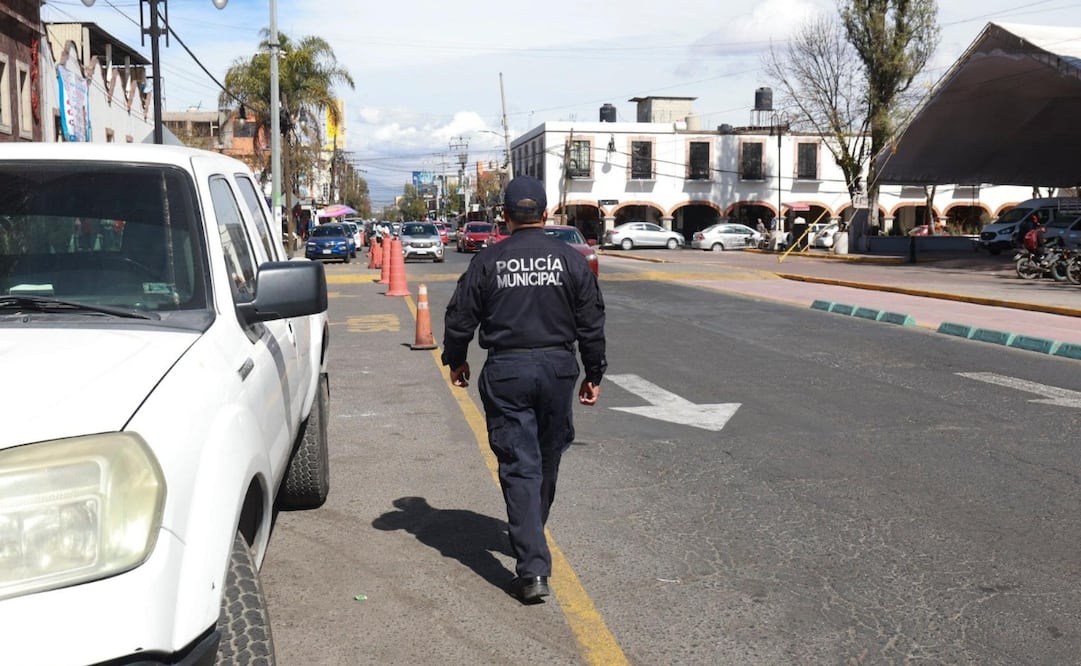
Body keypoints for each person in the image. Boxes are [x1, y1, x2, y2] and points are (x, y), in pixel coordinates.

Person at [442, 175, 607, 604]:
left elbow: (460, 317)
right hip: (557, 368)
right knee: (546, 457)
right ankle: (533, 538)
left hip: (507, 369)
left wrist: (456, 359)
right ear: (548, 213)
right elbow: (591, 320)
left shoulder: (487, 260)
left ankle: (533, 567)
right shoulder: (570, 259)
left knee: (520, 464)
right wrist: (594, 372)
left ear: (505, 217)